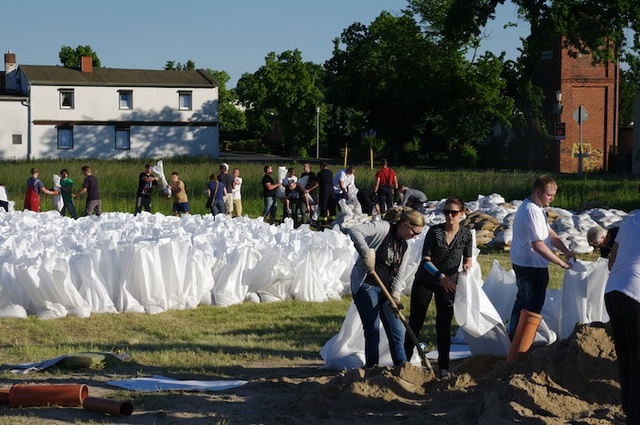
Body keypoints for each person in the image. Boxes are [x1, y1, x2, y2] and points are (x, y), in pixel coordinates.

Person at [347, 207, 425, 368]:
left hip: (387, 291)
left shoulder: (406, 247)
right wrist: (366, 252)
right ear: (404, 225)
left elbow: (400, 273)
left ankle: (403, 368)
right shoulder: (384, 228)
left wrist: (395, 294)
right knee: (373, 332)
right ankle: (372, 370)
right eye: (414, 232)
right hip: (367, 286)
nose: (415, 237)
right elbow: (354, 230)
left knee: (397, 332)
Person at [404, 197, 473, 377]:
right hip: (427, 279)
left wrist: (466, 267)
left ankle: (443, 367)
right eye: (446, 212)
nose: (450, 216)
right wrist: (440, 276)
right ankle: (404, 360)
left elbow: (468, 258)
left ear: (462, 214)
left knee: (443, 324)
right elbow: (425, 260)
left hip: (449, 283)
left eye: (454, 212)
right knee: (416, 320)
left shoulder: (466, 235)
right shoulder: (435, 232)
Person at [508, 175, 574, 340]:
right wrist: (560, 262)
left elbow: (548, 232)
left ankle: (514, 337)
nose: (552, 199)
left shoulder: (537, 209)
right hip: (532, 266)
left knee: (522, 301)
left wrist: (565, 250)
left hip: (524, 262)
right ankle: (522, 343)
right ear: (538, 192)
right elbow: (537, 244)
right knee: (531, 306)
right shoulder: (531, 211)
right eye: (549, 195)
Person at [604, 213, 640, 425]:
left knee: (626, 358)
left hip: (613, 292)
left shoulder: (630, 221)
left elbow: (611, 263)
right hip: (635, 294)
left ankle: (629, 411)